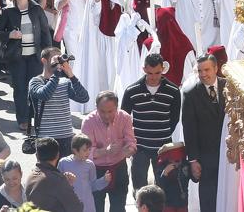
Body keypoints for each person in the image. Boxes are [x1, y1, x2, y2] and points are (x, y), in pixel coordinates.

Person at [0, 0, 51, 133]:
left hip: (35, 56)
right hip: (16, 57)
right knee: (20, 88)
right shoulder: (7, 11)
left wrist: (48, 54)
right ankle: (23, 119)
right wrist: (9, 34)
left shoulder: (36, 8)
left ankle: (37, 118)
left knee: (37, 88)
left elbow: (45, 32)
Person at [122, 52, 182, 194]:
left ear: (163, 69)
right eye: (150, 73)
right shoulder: (132, 91)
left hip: (163, 148)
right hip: (139, 147)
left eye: (157, 73)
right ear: (144, 69)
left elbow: (174, 118)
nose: (154, 77)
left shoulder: (173, 91)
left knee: (163, 187)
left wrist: (163, 133)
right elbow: (124, 118)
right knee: (139, 188)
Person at [182, 54, 226, 212]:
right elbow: (189, 129)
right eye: (200, 71)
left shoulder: (229, 87)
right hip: (206, 157)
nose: (203, 74)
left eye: (207, 70)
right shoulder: (190, 93)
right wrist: (193, 160)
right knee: (208, 197)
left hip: (228, 156)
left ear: (216, 68)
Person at [28, 47, 90, 156]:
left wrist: (71, 75)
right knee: (48, 172)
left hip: (66, 138)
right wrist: (56, 74)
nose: (58, 62)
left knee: (66, 173)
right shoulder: (35, 81)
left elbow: (84, 98)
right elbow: (44, 95)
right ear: (44, 61)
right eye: (54, 59)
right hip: (45, 139)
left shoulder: (65, 82)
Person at [82, 90, 136, 212]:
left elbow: (131, 141)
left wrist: (130, 150)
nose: (106, 115)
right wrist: (105, 151)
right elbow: (85, 152)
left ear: (117, 107)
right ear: (96, 108)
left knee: (118, 207)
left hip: (119, 168)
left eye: (110, 111)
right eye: (102, 111)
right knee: (96, 207)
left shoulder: (125, 117)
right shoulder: (88, 122)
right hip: (96, 170)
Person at [25, 137, 83, 212]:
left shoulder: (30, 177)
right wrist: (69, 186)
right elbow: (77, 208)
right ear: (58, 155)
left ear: (36, 155)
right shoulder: (57, 180)